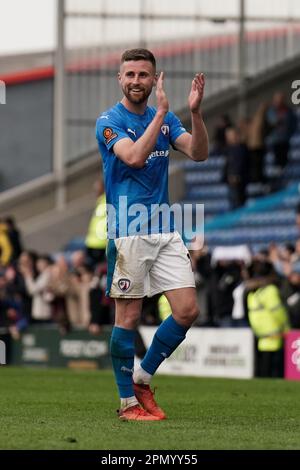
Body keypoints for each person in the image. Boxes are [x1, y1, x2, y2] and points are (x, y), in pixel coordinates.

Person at [96, 48, 208, 421]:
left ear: (154, 78)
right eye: (130, 75)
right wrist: (160, 113)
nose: (136, 81)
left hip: (165, 230)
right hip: (127, 232)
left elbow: (198, 153)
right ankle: (127, 403)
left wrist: (194, 113)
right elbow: (133, 158)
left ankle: (142, 378)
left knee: (188, 311)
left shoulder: (170, 118)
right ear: (120, 79)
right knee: (127, 318)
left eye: (143, 75)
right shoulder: (108, 121)